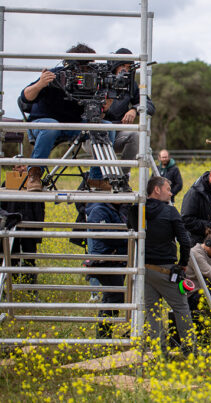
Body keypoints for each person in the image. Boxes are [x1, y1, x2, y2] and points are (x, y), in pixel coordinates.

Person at [20, 43, 116, 191]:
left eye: (90, 66)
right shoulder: (56, 75)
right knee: (51, 127)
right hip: (43, 123)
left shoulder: (93, 81)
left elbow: (96, 115)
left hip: (74, 125)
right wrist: (40, 84)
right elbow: (25, 97)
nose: (86, 71)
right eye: (83, 66)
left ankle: (96, 178)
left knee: (107, 127)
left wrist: (104, 107)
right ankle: (34, 174)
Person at [131, 176, 195, 356]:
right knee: (181, 308)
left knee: (153, 312)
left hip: (145, 270)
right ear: (157, 190)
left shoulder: (137, 210)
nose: (171, 192)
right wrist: (182, 264)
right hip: (166, 270)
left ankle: (161, 352)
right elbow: (185, 241)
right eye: (168, 188)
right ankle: (190, 349)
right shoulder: (170, 212)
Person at [103, 48, 156, 181]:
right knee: (103, 132)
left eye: (128, 68)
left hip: (117, 133)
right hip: (98, 133)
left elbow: (150, 105)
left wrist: (134, 109)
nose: (125, 71)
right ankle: (101, 177)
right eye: (123, 67)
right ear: (115, 66)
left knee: (136, 135)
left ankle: (122, 177)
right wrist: (103, 107)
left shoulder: (130, 86)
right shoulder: (101, 82)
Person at [0, 158, 45, 292]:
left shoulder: (35, 186)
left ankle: (31, 291)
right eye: (18, 167)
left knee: (29, 260)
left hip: (29, 227)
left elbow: (40, 208)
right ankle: (9, 290)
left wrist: (38, 230)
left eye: (24, 166)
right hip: (11, 227)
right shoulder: (6, 183)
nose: (21, 169)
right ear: (14, 170)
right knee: (10, 259)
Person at [85, 202, 128, 338]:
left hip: (115, 260)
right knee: (114, 297)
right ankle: (103, 336)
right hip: (105, 260)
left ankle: (104, 336)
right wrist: (127, 237)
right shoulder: (99, 210)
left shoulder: (115, 209)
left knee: (112, 297)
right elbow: (107, 235)